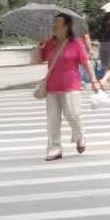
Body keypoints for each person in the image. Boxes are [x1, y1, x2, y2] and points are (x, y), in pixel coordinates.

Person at [40, 13, 102, 162]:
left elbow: (86, 63)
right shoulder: (50, 43)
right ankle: (54, 149)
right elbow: (38, 59)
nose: (55, 25)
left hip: (71, 84)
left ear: (67, 26)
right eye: (54, 23)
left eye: (59, 23)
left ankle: (79, 134)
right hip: (52, 86)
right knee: (53, 120)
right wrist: (39, 45)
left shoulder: (76, 43)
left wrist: (94, 81)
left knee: (73, 114)